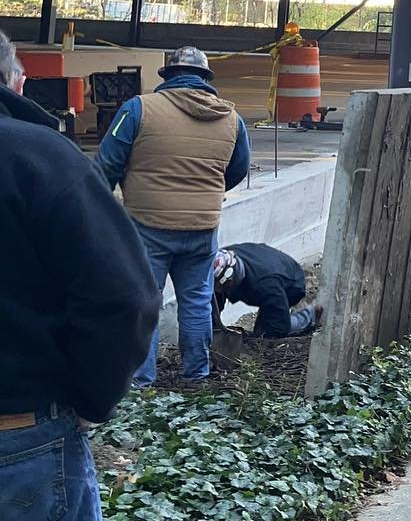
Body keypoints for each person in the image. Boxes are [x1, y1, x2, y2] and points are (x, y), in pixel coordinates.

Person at [0, 29, 159, 519]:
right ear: (15, 82)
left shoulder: (136, 116)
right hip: (21, 433)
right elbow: (124, 299)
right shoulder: (39, 157)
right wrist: (93, 402)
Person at [98, 45, 250, 387]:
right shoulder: (232, 120)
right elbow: (237, 170)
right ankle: (196, 376)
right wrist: (203, 190)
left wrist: (98, 209)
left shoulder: (138, 109)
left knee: (145, 301)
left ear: (167, 76)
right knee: (196, 300)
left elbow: (107, 165)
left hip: (147, 225)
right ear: (205, 79)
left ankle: (141, 381)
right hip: (203, 227)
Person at [213, 242, 321, 338]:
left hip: (292, 283)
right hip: (265, 262)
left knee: (273, 329)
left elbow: (280, 327)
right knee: (212, 303)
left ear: (232, 279)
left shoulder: (266, 285)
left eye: (224, 286)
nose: (220, 289)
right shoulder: (221, 258)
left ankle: (310, 315)